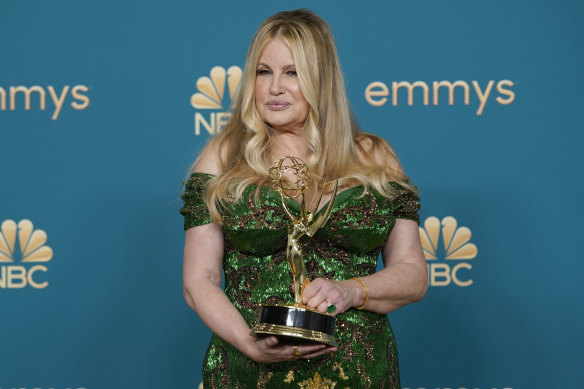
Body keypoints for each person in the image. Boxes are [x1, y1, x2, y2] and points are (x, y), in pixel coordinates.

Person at [181, 9, 427, 389]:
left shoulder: (375, 158)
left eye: (292, 72)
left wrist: (351, 290)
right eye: (264, 72)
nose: (274, 87)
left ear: (321, 79)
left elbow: (413, 275)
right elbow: (199, 279)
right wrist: (248, 342)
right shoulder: (223, 158)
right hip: (251, 371)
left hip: (359, 370)